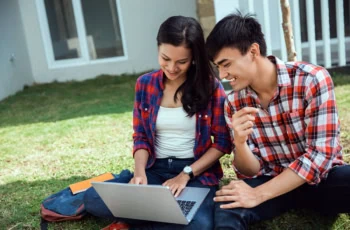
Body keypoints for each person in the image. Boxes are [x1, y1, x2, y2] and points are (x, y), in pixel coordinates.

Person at [84, 15, 232, 230]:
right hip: (154, 169)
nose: (172, 68)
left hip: (195, 172)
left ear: (194, 58)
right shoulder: (145, 84)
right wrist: (139, 173)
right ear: (158, 49)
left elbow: (221, 142)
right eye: (165, 58)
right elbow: (141, 137)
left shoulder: (211, 87)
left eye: (181, 61)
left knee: (199, 226)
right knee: (92, 200)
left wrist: (185, 175)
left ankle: (135, 221)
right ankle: (161, 216)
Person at [205, 12, 350, 230]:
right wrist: (241, 143)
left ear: (253, 51)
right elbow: (250, 172)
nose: (223, 74)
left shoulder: (311, 79)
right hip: (272, 180)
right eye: (218, 67)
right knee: (227, 203)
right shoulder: (234, 102)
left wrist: (257, 194)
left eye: (226, 64)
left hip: (322, 181)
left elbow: (321, 154)